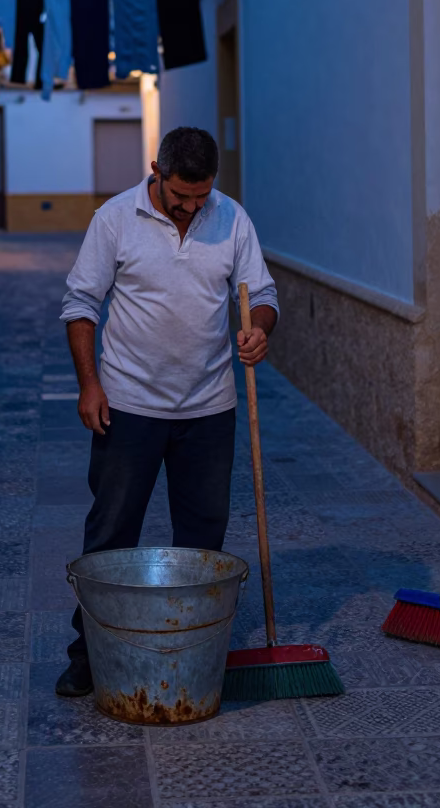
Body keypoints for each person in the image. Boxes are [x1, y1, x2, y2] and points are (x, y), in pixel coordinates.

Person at [55, 126, 278, 697]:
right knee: (110, 535)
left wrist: (258, 330)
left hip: (209, 408)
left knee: (203, 539)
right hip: (128, 405)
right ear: (156, 170)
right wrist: (89, 385)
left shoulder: (232, 218)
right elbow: (81, 303)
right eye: (181, 196)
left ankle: (195, 647)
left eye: (201, 197)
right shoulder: (114, 219)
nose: (190, 207)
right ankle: (90, 655)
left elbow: (262, 294)